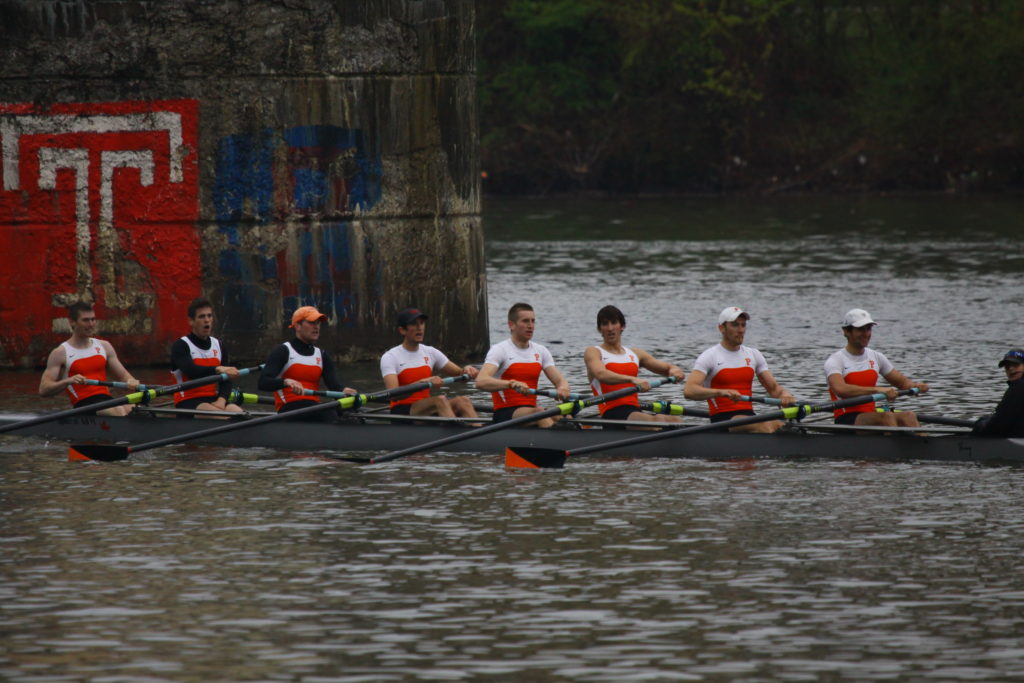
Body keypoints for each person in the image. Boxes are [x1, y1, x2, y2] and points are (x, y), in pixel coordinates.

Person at [684, 306, 796, 433]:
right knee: (765, 425)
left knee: (780, 424)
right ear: (721, 328)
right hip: (722, 421)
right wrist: (721, 392)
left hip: (748, 418)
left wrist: (785, 396)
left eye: (743, 325)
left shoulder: (753, 354)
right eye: (735, 325)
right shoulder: (709, 356)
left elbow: (774, 389)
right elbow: (689, 390)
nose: (741, 330)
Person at [824, 308, 929, 428]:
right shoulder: (835, 360)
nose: (866, 334)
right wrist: (877, 390)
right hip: (846, 418)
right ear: (846, 331)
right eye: (860, 329)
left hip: (870, 416)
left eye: (868, 329)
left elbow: (902, 383)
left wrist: (915, 386)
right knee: (887, 417)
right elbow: (840, 389)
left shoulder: (876, 356)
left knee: (909, 416)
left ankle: (922, 442)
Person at [584, 305, 685, 428]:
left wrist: (675, 370)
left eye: (614, 323)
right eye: (605, 324)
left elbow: (667, 368)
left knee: (676, 420)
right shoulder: (594, 352)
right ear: (600, 329)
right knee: (656, 421)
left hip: (634, 411)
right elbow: (601, 374)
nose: (610, 328)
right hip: (612, 415)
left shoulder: (635, 354)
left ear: (622, 326)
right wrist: (632, 379)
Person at [475, 302, 571, 427]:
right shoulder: (500, 350)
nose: (530, 326)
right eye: (525, 321)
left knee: (564, 415)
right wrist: (510, 384)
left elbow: (560, 380)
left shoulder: (541, 351)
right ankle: (558, 441)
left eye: (533, 321)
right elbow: (481, 382)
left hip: (530, 411)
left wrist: (563, 388)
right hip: (505, 413)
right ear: (511, 325)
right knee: (540, 412)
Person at [39, 301, 140, 416]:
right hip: (83, 404)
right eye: (86, 320)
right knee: (118, 411)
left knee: (136, 408)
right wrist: (68, 381)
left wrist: (131, 382)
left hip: (106, 400)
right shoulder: (60, 353)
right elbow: (44, 389)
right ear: (72, 322)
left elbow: (123, 376)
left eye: (93, 319)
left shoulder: (104, 346)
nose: (91, 324)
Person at [258, 305, 355, 421]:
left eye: (318, 323)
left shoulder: (322, 355)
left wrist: (344, 392)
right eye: (311, 323)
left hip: (313, 408)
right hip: (289, 409)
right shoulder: (283, 351)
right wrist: (285, 382)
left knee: (353, 409)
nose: (316, 327)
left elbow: (335, 387)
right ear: (297, 326)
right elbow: (263, 382)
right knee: (328, 412)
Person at [380, 307, 479, 418]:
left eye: (422, 323)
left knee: (463, 401)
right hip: (402, 409)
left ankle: (478, 431)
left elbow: (460, 373)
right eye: (413, 324)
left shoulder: (430, 352)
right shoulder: (390, 357)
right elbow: (393, 394)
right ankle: (455, 429)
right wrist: (422, 382)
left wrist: (467, 369)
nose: (419, 328)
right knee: (440, 400)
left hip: (426, 407)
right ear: (402, 330)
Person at [168, 298, 243, 417]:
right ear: (191, 321)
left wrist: (221, 401)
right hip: (187, 402)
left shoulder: (219, 345)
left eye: (209, 316)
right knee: (222, 416)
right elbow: (191, 371)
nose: (207, 320)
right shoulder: (181, 346)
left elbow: (226, 380)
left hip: (213, 399)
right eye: (201, 317)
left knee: (241, 414)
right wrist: (218, 369)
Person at [972, 349, 1024, 437]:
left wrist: (981, 424)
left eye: (1016, 365)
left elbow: (997, 426)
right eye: (1007, 366)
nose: (1011, 369)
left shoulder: (1018, 387)